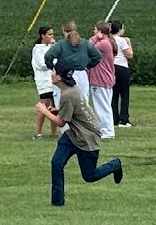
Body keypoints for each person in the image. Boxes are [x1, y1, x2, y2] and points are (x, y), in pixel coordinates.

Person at [36, 60, 123, 207]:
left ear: (60, 77)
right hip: (72, 135)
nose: (51, 74)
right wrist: (57, 110)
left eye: (54, 72)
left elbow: (60, 122)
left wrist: (44, 111)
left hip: (87, 138)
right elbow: (73, 112)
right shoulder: (69, 90)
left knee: (89, 176)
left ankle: (115, 165)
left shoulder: (68, 94)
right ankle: (57, 203)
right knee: (56, 163)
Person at [44, 20, 100, 107]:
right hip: (81, 74)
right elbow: (97, 56)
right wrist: (88, 64)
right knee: (82, 102)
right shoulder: (85, 43)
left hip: (63, 75)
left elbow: (48, 56)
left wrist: (53, 68)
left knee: (62, 102)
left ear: (64, 30)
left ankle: (64, 120)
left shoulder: (61, 44)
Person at [87, 22, 117, 139]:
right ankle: (103, 129)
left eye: (95, 30)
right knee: (104, 105)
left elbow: (89, 48)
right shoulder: (108, 42)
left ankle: (107, 131)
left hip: (100, 78)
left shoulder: (103, 43)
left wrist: (95, 38)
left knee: (102, 106)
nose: (94, 32)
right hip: (105, 78)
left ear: (100, 31)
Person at [30, 26, 60, 140]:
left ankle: (54, 132)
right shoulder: (37, 49)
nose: (52, 37)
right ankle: (37, 133)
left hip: (54, 81)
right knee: (44, 106)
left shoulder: (53, 47)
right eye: (49, 34)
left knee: (54, 107)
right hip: (43, 81)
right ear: (43, 36)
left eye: (52, 34)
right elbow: (42, 65)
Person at [110, 20, 134, 128]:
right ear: (119, 30)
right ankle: (123, 119)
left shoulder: (108, 40)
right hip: (122, 67)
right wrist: (129, 43)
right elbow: (129, 55)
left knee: (113, 94)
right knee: (124, 94)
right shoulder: (121, 40)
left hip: (111, 67)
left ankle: (114, 118)